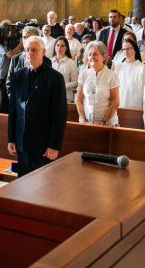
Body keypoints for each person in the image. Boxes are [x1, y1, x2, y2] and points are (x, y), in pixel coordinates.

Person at [7, 36, 67, 176]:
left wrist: (54, 145)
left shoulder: (55, 78)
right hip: (22, 143)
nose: (30, 53)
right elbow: (13, 110)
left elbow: (59, 115)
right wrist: (11, 139)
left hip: (43, 145)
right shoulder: (18, 76)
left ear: (43, 52)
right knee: (23, 185)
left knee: (43, 186)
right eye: (27, 50)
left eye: (34, 50)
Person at [76, 40, 120, 126]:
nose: (92, 57)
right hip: (87, 123)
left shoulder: (112, 76)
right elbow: (78, 100)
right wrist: (84, 121)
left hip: (108, 124)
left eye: (95, 54)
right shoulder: (83, 74)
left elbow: (115, 103)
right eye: (89, 54)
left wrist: (103, 123)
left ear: (104, 57)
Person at [114, 37, 145, 108]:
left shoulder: (142, 68)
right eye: (124, 49)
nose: (125, 51)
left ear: (134, 50)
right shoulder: (118, 68)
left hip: (136, 107)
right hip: (120, 106)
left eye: (128, 49)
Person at [51, 36, 79, 102]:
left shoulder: (71, 62)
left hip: (66, 97)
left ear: (66, 48)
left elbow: (76, 82)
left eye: (62, 46)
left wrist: (62, 85)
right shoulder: (49, 62)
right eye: (57, 45)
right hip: (51, 97)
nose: (59, 48)